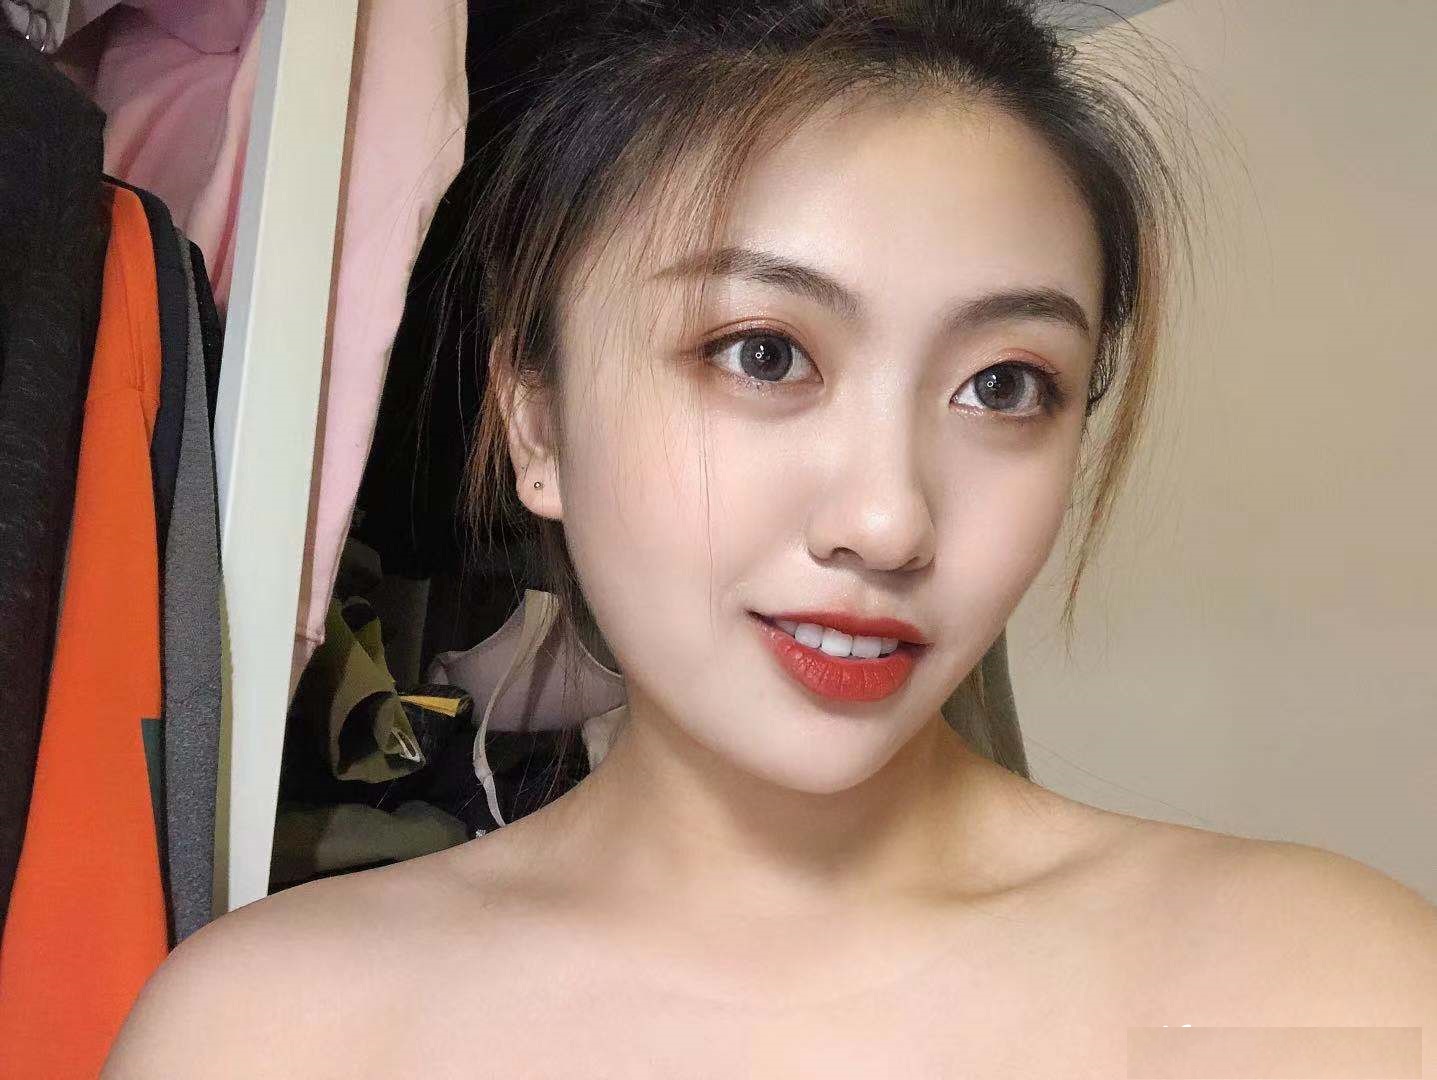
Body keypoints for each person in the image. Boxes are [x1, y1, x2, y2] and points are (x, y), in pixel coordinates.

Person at [105, 0, 1436, 1074]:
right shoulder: (271, 1033)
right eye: (762, 353)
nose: (886, 521)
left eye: (1003, 385)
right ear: (535, 421)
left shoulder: (1325, 988)